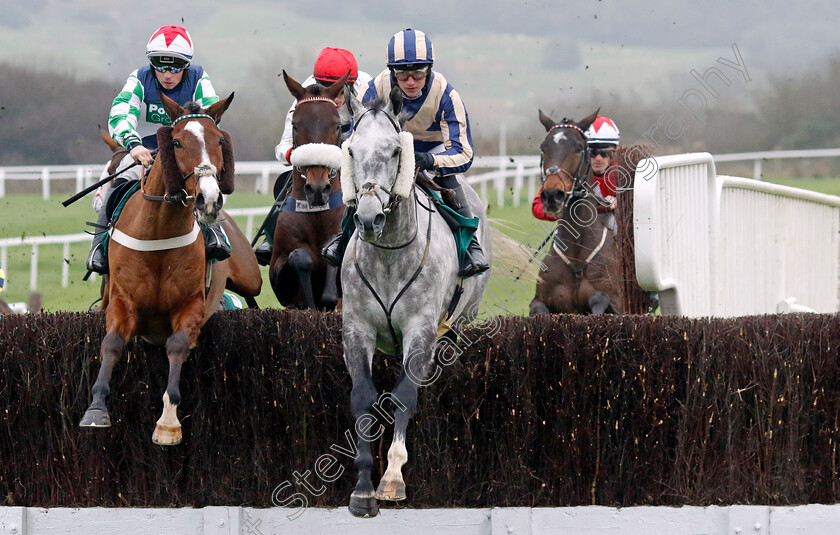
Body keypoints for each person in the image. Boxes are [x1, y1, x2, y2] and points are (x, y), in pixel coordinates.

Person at [322, 28, 489, 277]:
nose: (411, 81)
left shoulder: (446, 94)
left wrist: (430, 160)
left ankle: (471, 246)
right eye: (402, 74)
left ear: (429, 69)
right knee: (364, 184)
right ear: (392, 73)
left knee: (449, 183)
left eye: (418, 73)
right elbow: (359, 134)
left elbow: (464, 153)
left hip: (431, 149)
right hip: (387, 150)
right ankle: (342, 237)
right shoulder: (376, 86)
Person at [86, 25, 222, 275]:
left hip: (184, 156)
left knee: (208, 185)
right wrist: (133, 144)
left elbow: (212, 114)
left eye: (175, 66)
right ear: (151, 63)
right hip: (144, 151)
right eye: (160, 65)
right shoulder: (139, 78)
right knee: (120, 180)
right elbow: (121, 113)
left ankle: (214, 232)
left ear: (186, 65)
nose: (167, 73)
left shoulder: (199, 78)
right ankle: (99, 246)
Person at [253, 47, 372, 265]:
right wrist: (303, 155)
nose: (330, 94)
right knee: (283, 182)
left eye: (337, 89)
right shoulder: (304, 95)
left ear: (350, 84)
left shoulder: (367, 89)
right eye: (324, 87)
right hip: (315, 166)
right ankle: (271, 238)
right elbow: (283, 148)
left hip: (358, 157)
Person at [532, 115, 621, 221]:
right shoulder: (572, 175)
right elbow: (537, 207)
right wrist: (557, 210)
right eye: (593, 153)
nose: (598, 158)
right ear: (585, 153)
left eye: (605, 153)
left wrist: (619, 203)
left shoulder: (622, 173)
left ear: (615, 151)